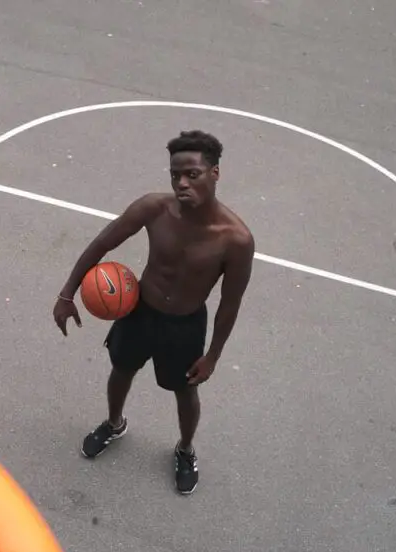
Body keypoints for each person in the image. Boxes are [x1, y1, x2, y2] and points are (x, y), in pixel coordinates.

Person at [52, 130, 255, 495]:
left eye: (192, 174)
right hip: (139, 311)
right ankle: (114, 424)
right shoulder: (153, 208)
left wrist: (213, 356)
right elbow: (103, 241)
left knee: (185, 392)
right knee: (121, 369)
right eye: (175, 174)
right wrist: (67, 293)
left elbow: (230, 302)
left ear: (215, 173)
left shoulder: (235, 239)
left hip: (185, 324)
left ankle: (185, 448)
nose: (181, 182)